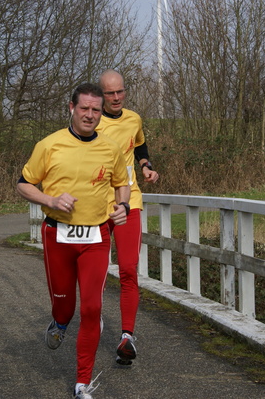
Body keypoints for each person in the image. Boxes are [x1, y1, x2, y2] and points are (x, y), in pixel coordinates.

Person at [16, 82, 131, 399]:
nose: (91, 115)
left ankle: (82, 383)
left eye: (96, 109)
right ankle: (60, 323)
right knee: (65, 307)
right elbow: (24, 185)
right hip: (58, 235)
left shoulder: (110, 149)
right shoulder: (49, 145)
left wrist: (122, 207)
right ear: (71, 108)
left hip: (96, 237)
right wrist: (50, 200)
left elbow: (123, 185)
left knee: (92, 308)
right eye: (85, 109)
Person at [95, 69, 160, 365]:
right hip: (97, 206)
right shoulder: (92, 120)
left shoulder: (134, 119)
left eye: (120, 91)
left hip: (129, 202)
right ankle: (91, 322)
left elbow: (139, 146)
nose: (117, 97)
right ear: (101, 95)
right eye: (110, 93)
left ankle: (127, 337)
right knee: (94, 272)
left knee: (129, 269)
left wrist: (145, 165)